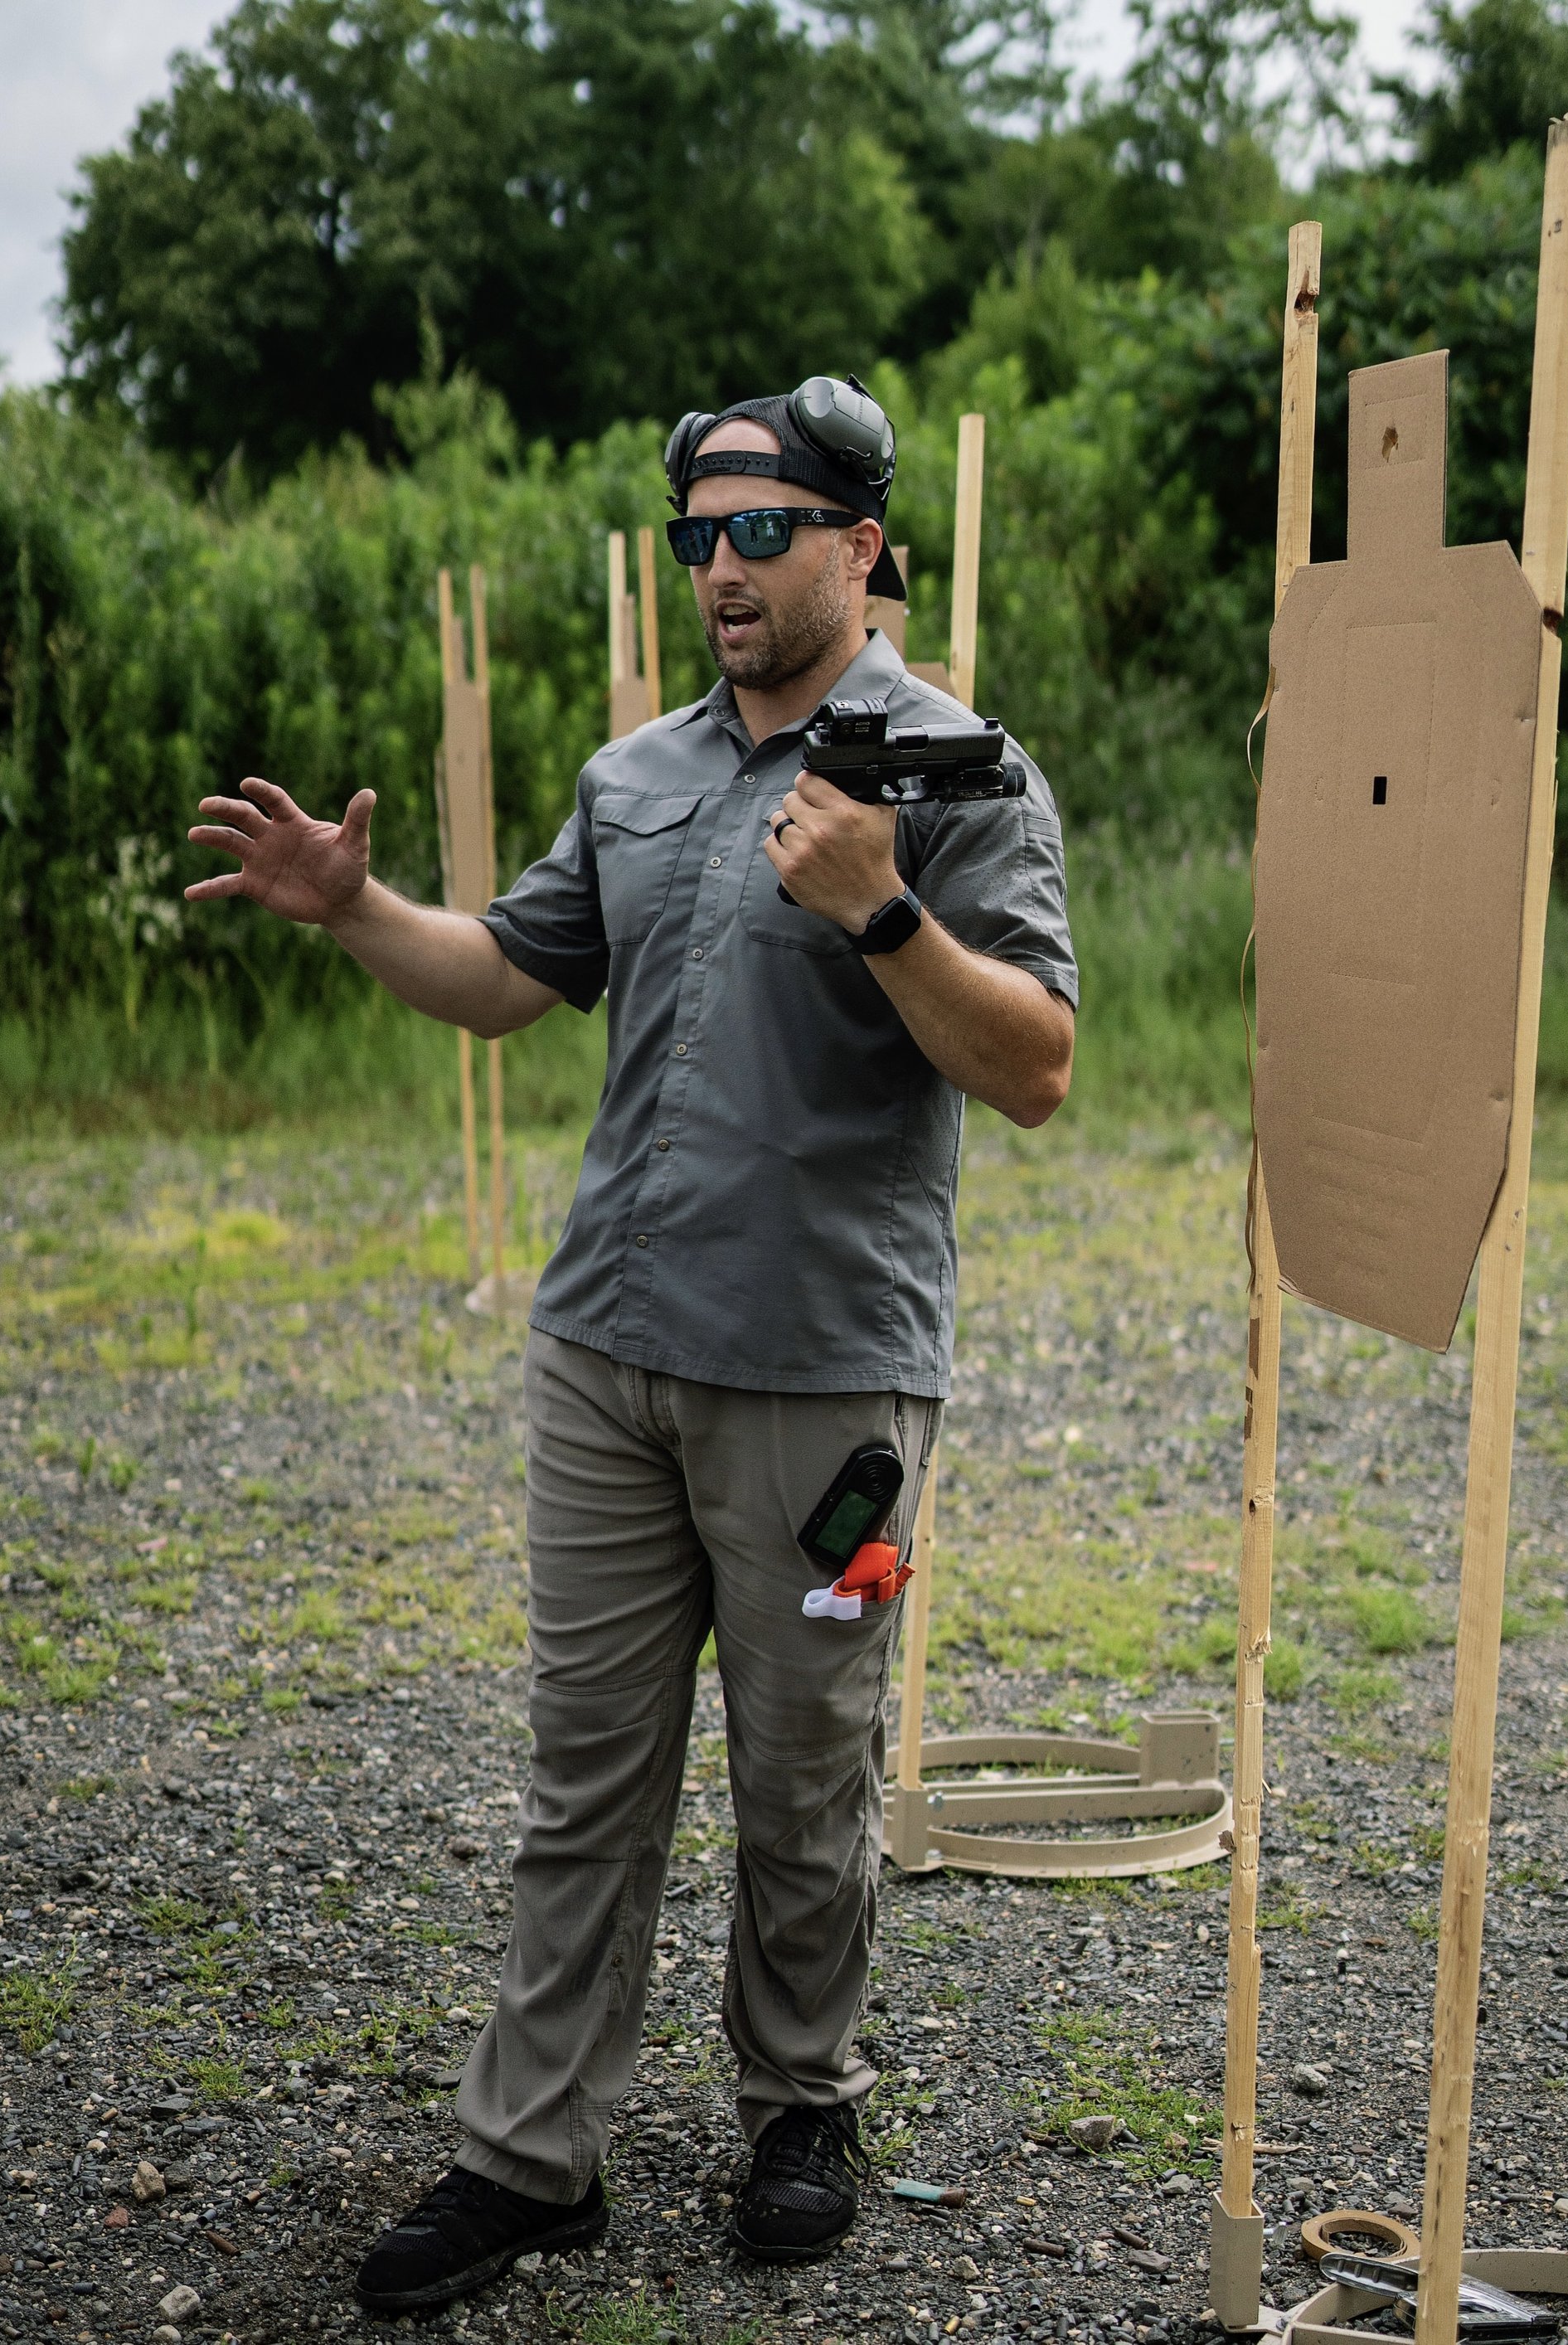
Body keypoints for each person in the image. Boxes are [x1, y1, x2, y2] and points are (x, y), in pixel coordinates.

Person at [184, 376, 1077, 2313]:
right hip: (605, 1361)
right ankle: (530, 2156)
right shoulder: (637, 776)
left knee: (810, 1756)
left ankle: (798, 2103)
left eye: (761, 532)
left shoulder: (960, 774)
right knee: (583, 1772)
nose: (722, 570)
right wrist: (356, 911)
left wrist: (884, 915)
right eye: (698, 538)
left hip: (838, 1379)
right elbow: (505, 981)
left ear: (858, 542)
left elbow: (1035, 1066)